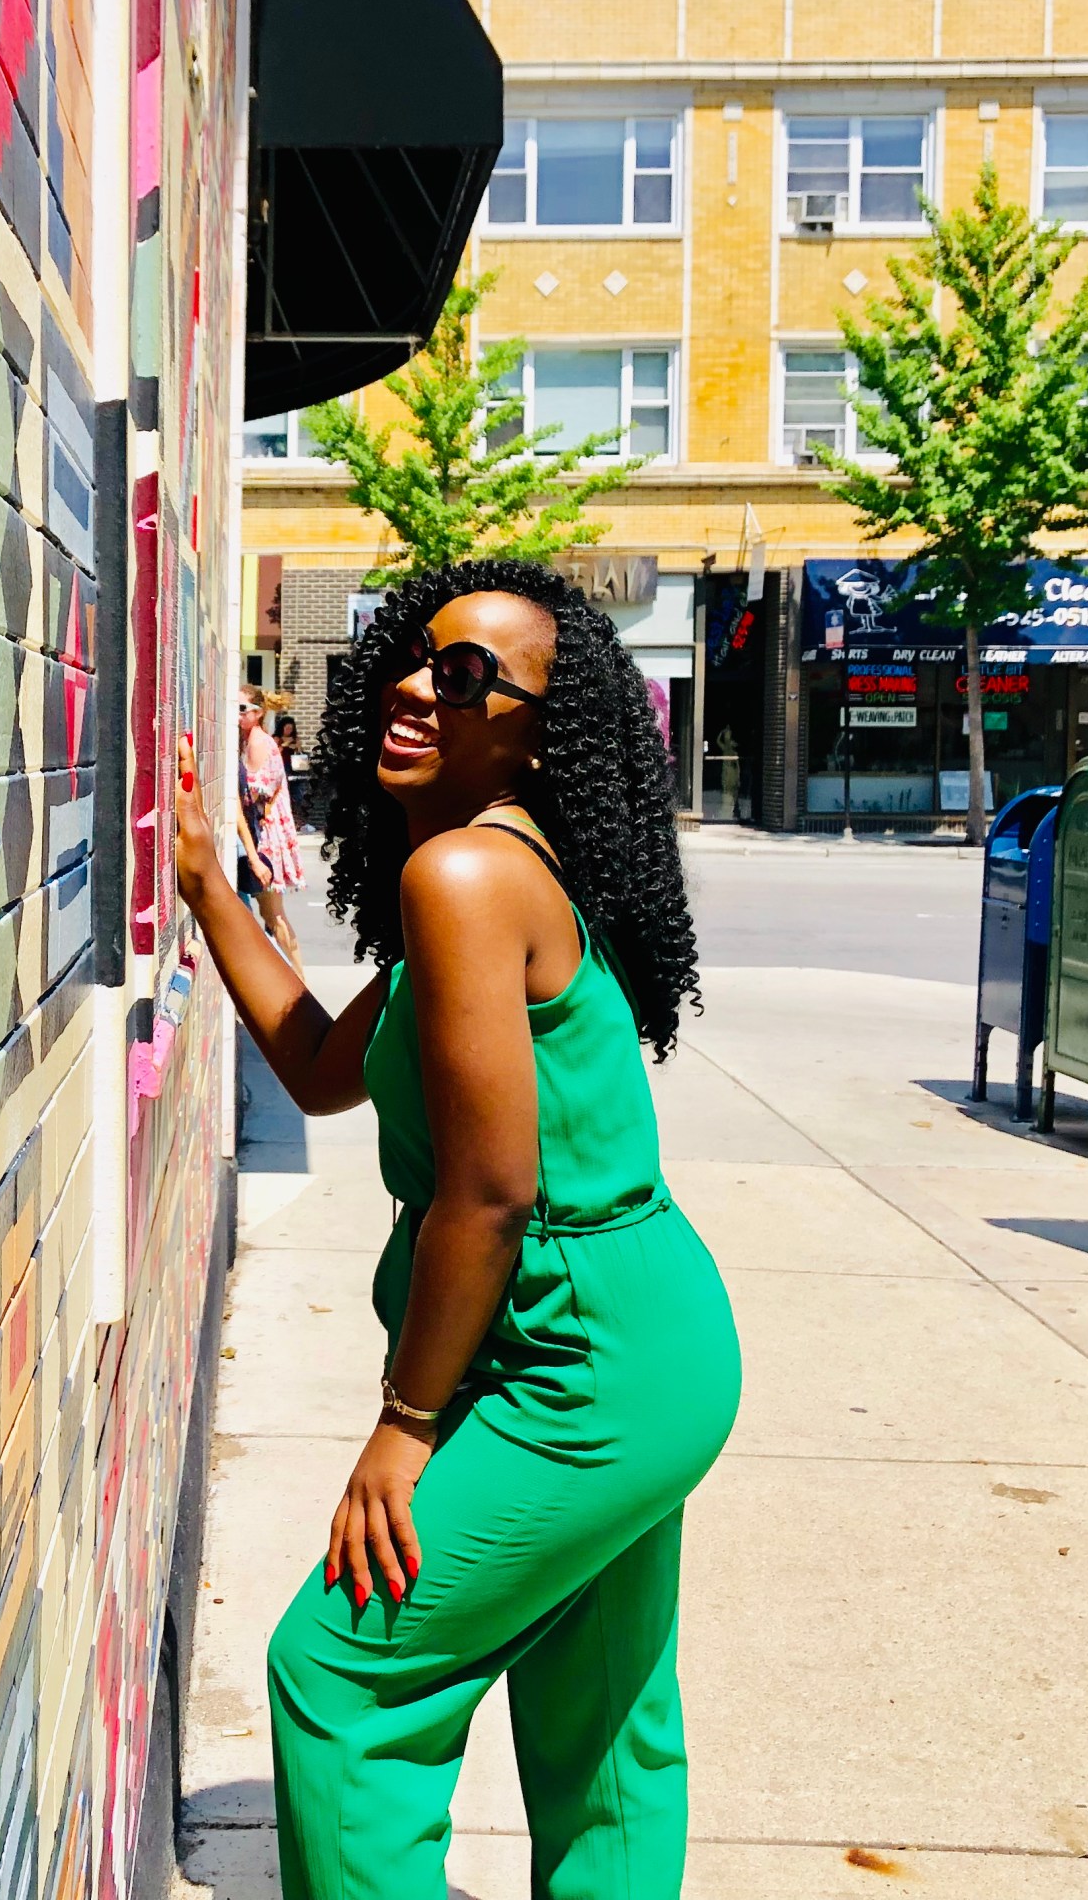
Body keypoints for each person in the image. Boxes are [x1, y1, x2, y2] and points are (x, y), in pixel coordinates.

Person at [175, 560, 740, 1900]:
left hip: (582, 1365)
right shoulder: (495, 867)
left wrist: (406, 1423)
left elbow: (488, 1193)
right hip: (639, 1341)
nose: (420, 686)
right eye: (416, 655)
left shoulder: (468, 872)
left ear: (543, 730)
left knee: (339, 1673)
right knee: (604, 1721)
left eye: (470, 674)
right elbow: (321, 1066)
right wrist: (207, 885)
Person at [236, 683, 307, 978]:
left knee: (273, 915)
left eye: (242, 709)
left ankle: (300, 981)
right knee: (270, 915)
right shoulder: (253, 740)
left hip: (266, 835)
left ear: (258, 713)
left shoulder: (258, 742)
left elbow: (253, 794)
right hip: (263, 832)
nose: (237, 714)